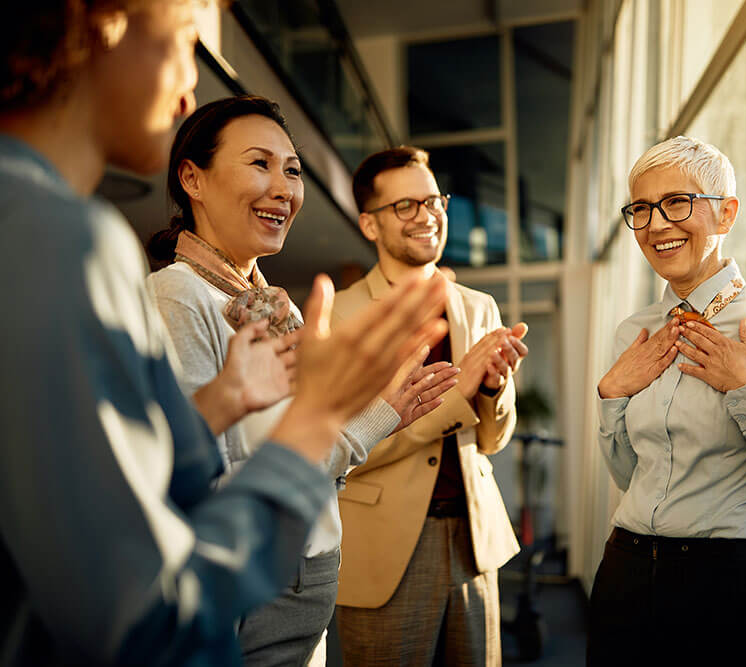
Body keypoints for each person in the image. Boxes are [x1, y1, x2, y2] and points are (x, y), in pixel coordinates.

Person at [0, 3, 449, 665]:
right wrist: (327, 419)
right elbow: (142, 602)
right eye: (186, 38)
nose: (189, 88)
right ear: (103, 22)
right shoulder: (78, 246)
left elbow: (130, 472)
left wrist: (232, 398)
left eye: (293, 169)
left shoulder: (261, 301)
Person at [145, 96, 461, 666]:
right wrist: (369, 423)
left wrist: (379, 411)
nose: (284, 188)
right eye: (259, 163)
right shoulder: (179, 295)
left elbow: (307, 465)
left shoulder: (273, 306)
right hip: (256, 578)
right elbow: (202, 478)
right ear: (192, 179)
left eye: (292, 170)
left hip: (305, 565)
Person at [588, 136, 746, 666]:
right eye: (641, 209)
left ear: (726, 213)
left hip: (733, 589)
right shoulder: (635, 331)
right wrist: (610, 395)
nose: (655, 225)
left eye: (677, 202)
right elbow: (629, 476)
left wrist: (744, 388)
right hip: (626, 576)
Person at [332, 146, 528, 666]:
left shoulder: (479, 306)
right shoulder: (340, 316)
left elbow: (492, 440)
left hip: (474, 541)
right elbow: (343, 451)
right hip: (384, 548)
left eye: (434, 200)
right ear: (370, 225)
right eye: (405, 206)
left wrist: (493, 389)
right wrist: (459, 393)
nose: (427, 215)